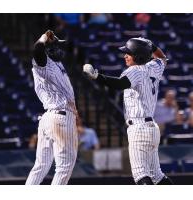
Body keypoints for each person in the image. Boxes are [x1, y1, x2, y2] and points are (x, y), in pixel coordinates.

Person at [83, 37, 173, 185]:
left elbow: (120, 84)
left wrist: (97, 77)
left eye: (128, 53)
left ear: (137, 56)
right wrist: (152, 46)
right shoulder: (154, 67)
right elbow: (162, 57)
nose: (125, 55)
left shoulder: (134, 70)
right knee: (157, 175)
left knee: (140, 175)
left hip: (138, 128)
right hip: (152, 128)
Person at [25, 30, 78, 185]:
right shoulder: (44, 64)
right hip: (59, 117)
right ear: (48, 49)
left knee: (41, 165)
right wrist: (42, 39)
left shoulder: (57, 64)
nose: (59, 49)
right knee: (64, 167)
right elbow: (37, 52)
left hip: (49, 118)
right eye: (55, 46)